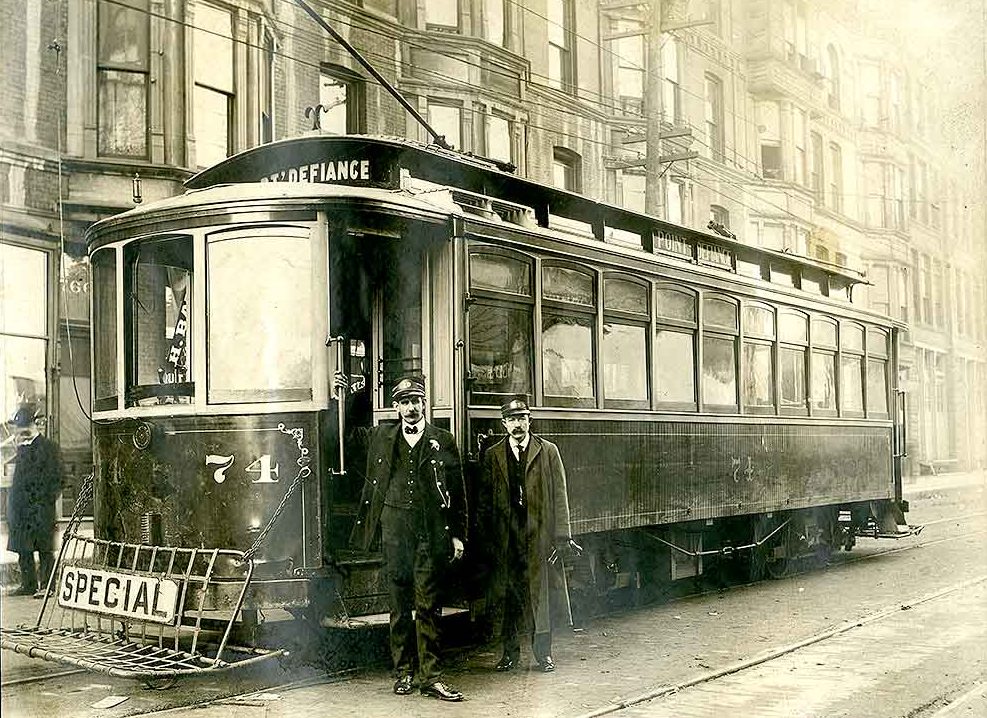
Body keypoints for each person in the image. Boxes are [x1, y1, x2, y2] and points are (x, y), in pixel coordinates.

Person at [350, 376, 468, 701]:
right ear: (396, 407)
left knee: (428, 604)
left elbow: (458, 493)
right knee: (399, 605)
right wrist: (348, 393)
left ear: (424, 404)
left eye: (416, 401)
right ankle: (402, 673)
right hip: (394, 531)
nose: (411, 408)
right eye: (404, 402)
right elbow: (343, 435)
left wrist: (458, 535)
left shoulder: (443, 439)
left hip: (430, 531)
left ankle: (431, 678)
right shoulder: (381, 436)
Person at [481, 394, 579, 673]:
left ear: (529, 420)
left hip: (538, 536)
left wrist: (562, 536)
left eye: (522, 418)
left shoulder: (548, 451)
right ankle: (509, 654)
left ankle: (543, 654)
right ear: (503, 424)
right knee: (508, 596)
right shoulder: (492, 455)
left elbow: (560, 496)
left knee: (540, 597)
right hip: (507, 538)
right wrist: (488, 539)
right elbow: (485, 501)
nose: (517, 425)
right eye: (511, 420)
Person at [5, 405, 63, 597]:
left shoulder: (49, 448)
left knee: (45, 549)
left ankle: (48, 586)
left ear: (34, 425)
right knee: (24, 548)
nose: (21, 432)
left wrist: (45, 499)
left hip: (40, 507)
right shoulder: (22, 450)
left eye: (24, 427)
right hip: (22, 509)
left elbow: (59, 478)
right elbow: (18, 480)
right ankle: (28, 584)